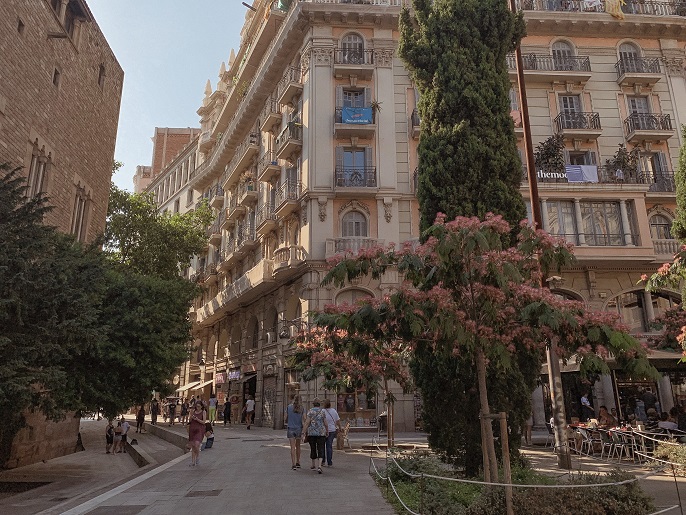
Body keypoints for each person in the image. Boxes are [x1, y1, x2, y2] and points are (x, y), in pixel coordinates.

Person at [302, 397, 328, 474]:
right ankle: (319, 466)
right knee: (321, 448)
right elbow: (325, 423)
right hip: (321, 433)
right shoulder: (322, 412)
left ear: (313, 404)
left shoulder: (310, 412)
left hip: (312, 433)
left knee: (313, 448)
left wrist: (303, 432)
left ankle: (313, 464)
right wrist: (327, 430)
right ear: (319, 404)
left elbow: (307, 423)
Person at [287, 395, 305, 470]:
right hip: (299, 429)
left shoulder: (289, 407)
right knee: (298, 446)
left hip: (290, 428)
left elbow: (285, 417)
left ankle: (293, 464)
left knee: (292, 447)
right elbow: (304, 419)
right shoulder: (302, 408)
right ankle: (298, 462)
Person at [323, 398, 341, 467]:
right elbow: (338, 421)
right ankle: (329, 462)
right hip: (332, 430)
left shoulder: (322, 411)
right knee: (329, 446)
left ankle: (323, 461)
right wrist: (340, 428)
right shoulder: (334, 411)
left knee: (322, 446)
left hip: (324, 430)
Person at [188, 400, 206, 466]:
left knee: (196, 444)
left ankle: (197, 457)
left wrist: (197, 419)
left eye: (199, 406)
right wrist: (191, 417)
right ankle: (193, 461)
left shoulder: (203, 412)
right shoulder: (193, 411)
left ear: (201, 406)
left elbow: (204, 422)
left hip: (199, 429)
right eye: (196, 406)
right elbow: (189, 420)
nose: (197, 408)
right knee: (193, 445)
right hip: (192, 429)